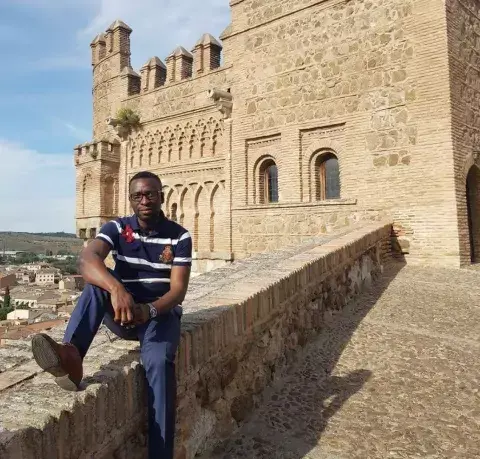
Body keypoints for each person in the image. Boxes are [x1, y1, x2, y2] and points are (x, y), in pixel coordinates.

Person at [31, 171, 192, 459]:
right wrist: (116, 288)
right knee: (96, 287)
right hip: (123, 311)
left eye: (150, 194)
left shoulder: (179, 236)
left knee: (158, 364)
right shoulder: (117, 228)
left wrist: (150, 309)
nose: (144, 200)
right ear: (130, 199)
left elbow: (178, 291)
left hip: (159, 314)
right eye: (137, 195)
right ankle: (71, 357)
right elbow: (86, 259)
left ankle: (160, 454)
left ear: (161, 196)